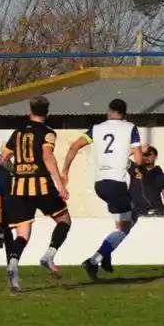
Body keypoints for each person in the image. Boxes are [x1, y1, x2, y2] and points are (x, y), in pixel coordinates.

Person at [61, 98, 143, 281]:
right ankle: (95, 260)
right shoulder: (130, 127)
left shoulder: (97, 128)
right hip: (117, 184)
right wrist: (131, 160)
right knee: (127, 225)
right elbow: (138, 159)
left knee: (120, 223)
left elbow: (74, 146)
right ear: (125, 113)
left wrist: (65, 171)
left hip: (100, 184)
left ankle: (106, 255)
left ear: (110, 111)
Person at [0, 96, 71, 291]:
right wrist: (60, 184)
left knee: (22, 233)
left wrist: (16, 170)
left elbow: (3, 158)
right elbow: (48, 157)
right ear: (47, 112)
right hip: (42, 185)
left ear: (30, 111)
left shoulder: (17, 133)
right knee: (64, 221)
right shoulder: (48, 133)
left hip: (19, 187)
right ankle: (49, 255)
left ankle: (13, 264)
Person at [129, 145, 164, 218]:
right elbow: (119, 158)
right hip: (136, 215)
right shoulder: (133, 169)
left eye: (149, 155)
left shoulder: (160, 175)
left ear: (155, 157)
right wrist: (135, 150)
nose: (146, 157)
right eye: (143, 155)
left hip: (156, 214)